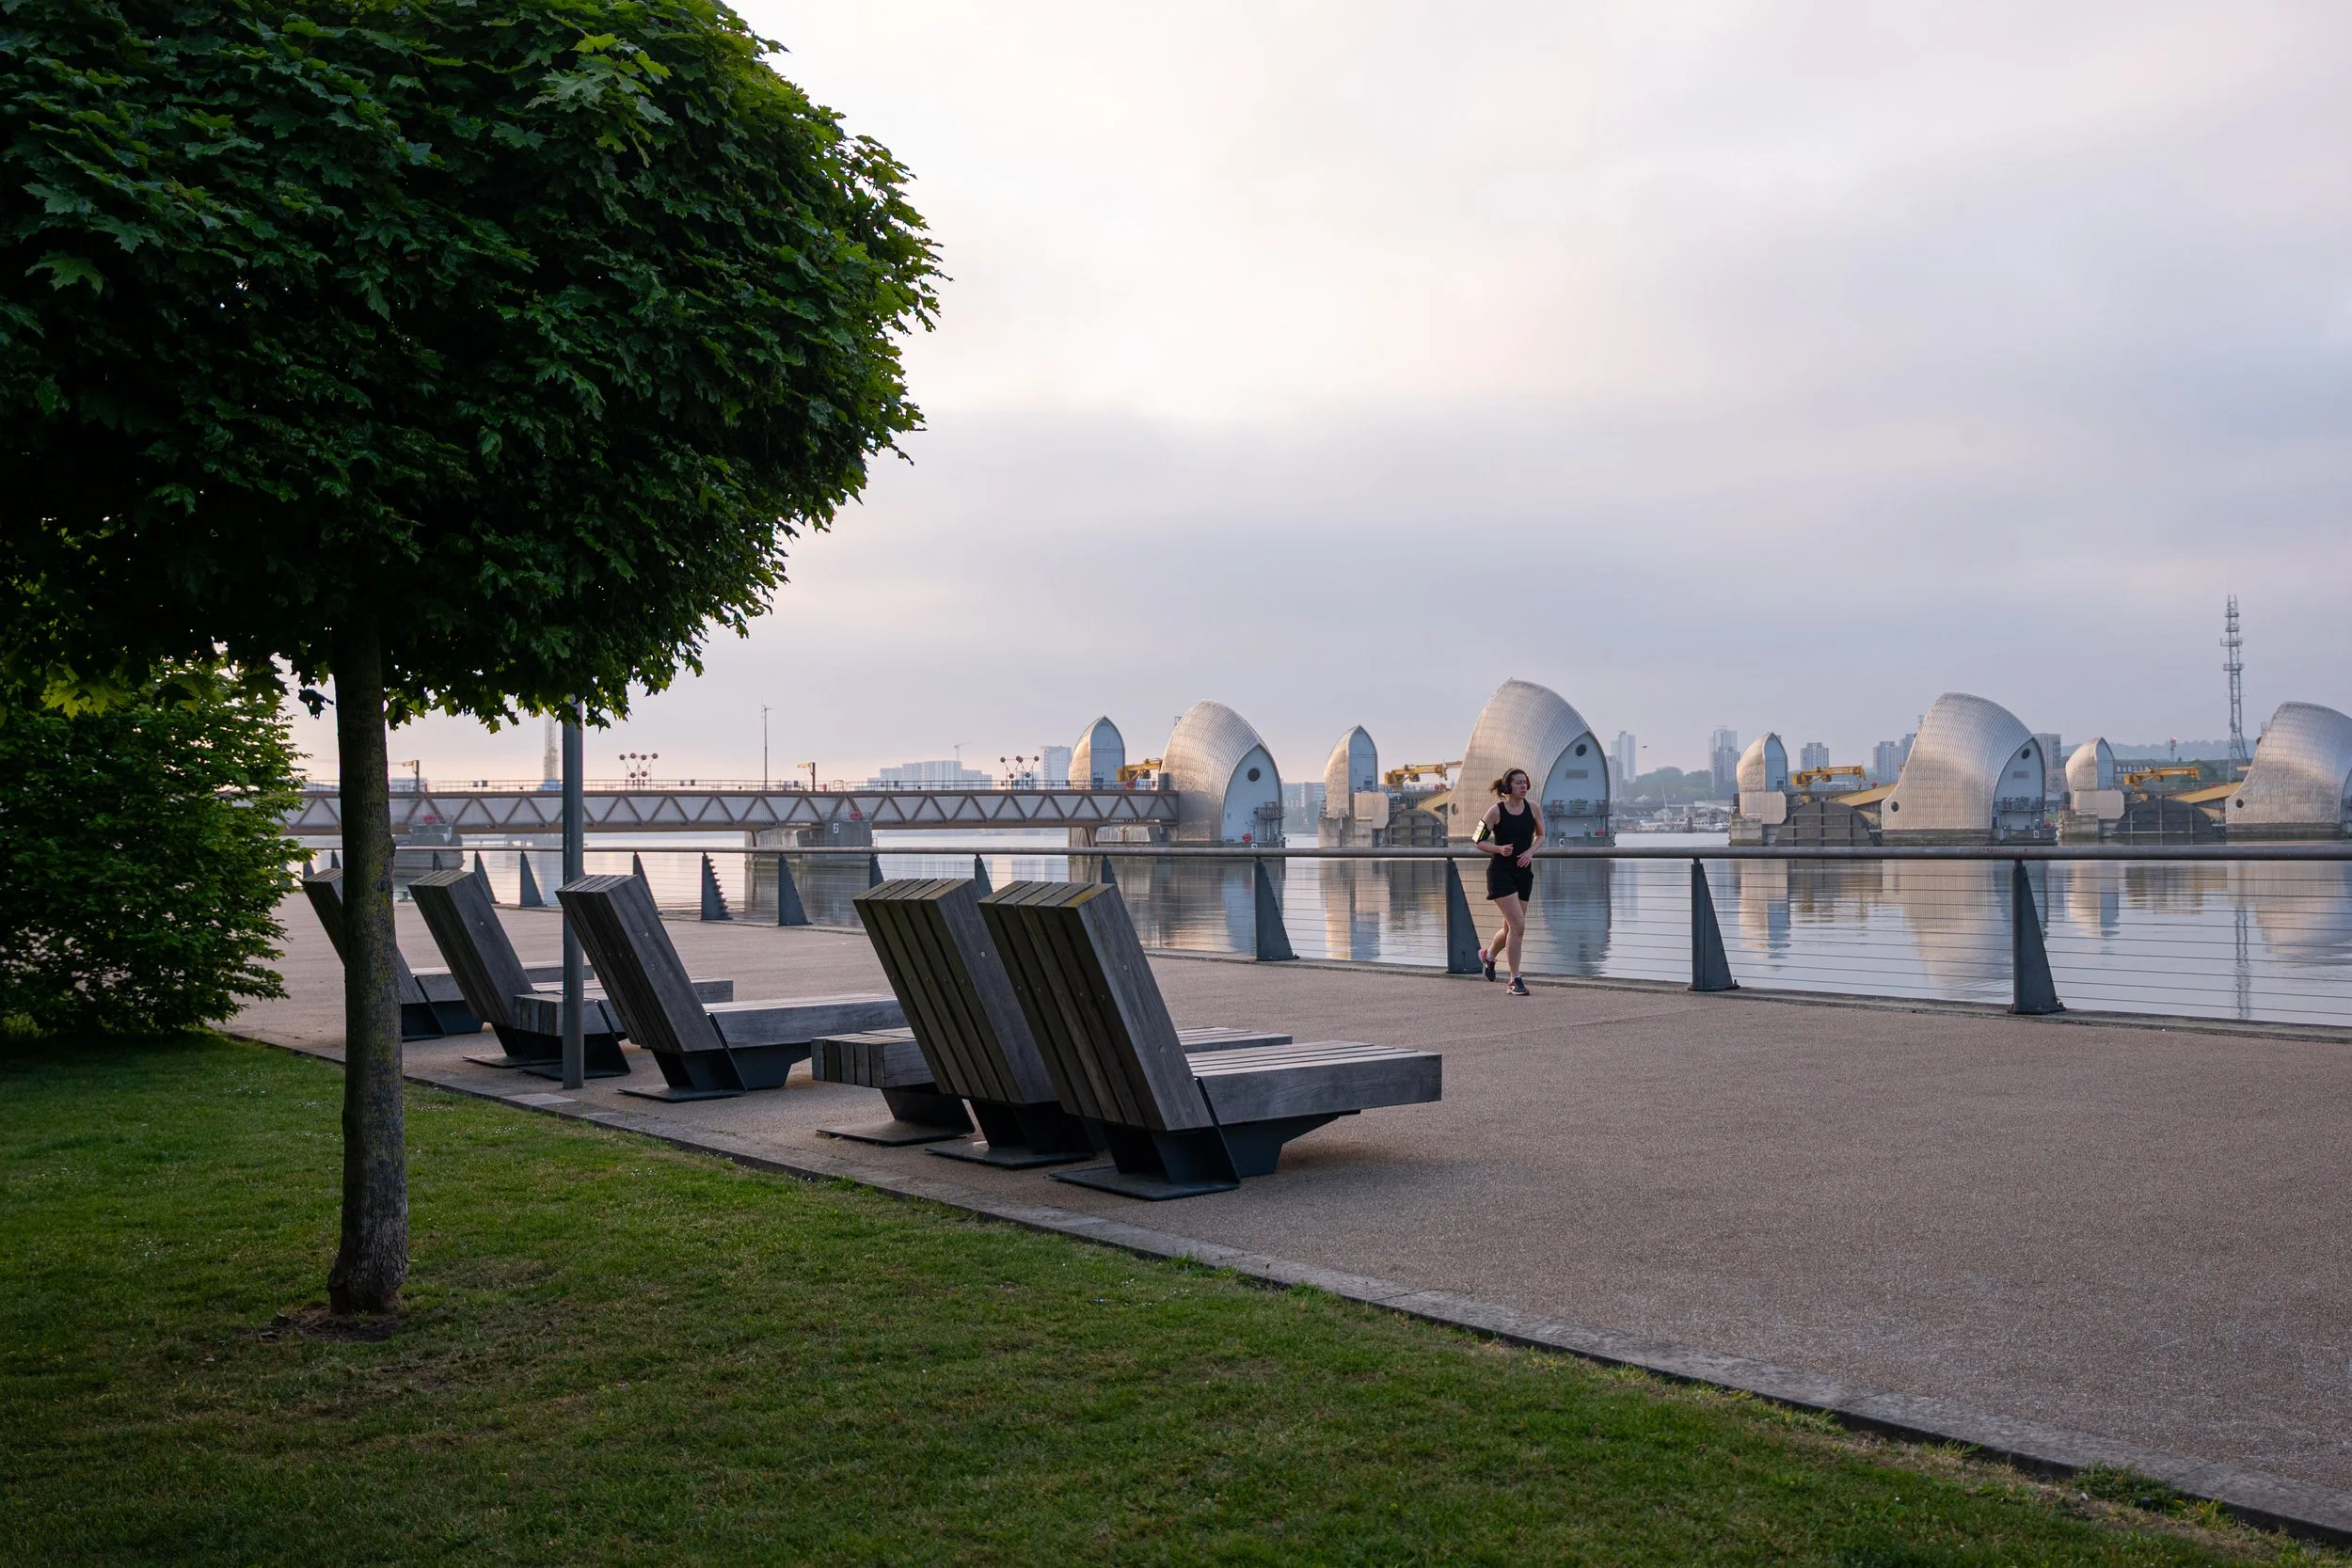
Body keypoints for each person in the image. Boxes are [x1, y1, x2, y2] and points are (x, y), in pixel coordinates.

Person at [1475, 768, 1541, 995]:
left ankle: (1488, 956)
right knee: (1518, 925)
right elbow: (1478, 841)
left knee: (1510, 927)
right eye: (1519, 783)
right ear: (1508, 787)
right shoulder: (1496, 811)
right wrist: (1499, 849)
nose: (1524, 786)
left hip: (1524, 873)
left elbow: (1541, 835)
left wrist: (1531, 852)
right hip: (1500, 874)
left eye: (1526, 783)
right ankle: (1514, 979)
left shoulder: (1533, 808)